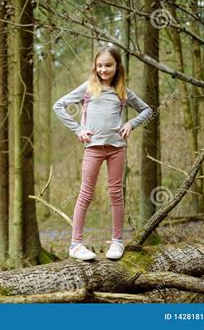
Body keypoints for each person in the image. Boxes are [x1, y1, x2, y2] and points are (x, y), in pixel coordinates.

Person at [52, 46, 153, 260]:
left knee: (116, 193)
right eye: (100, 65)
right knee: (85, 193)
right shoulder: (89, 88)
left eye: (108, 65)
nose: (104, 69)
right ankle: (76, 245)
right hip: (93, 148)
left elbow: (147, 110)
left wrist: (131, 124)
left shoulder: (123, 91)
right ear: (95, 67)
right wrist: (78, 129)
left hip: (117, 148)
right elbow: (59, 105)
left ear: (117, 67)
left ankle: (117, 242)